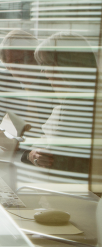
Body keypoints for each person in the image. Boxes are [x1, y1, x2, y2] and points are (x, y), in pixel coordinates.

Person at [0, 30, 56, 167]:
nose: (23, 66)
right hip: (23, 157)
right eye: (16, 62)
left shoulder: (53, 79)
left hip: (48, 158)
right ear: (7, 65)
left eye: (29, 58)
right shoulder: (6, 80)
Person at [28, 32, 97, 174]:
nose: (43, 71)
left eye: (46, 64)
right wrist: (33, 154)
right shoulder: (70, 102)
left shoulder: (78, 104)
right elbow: (43, 144)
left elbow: (54, 162)